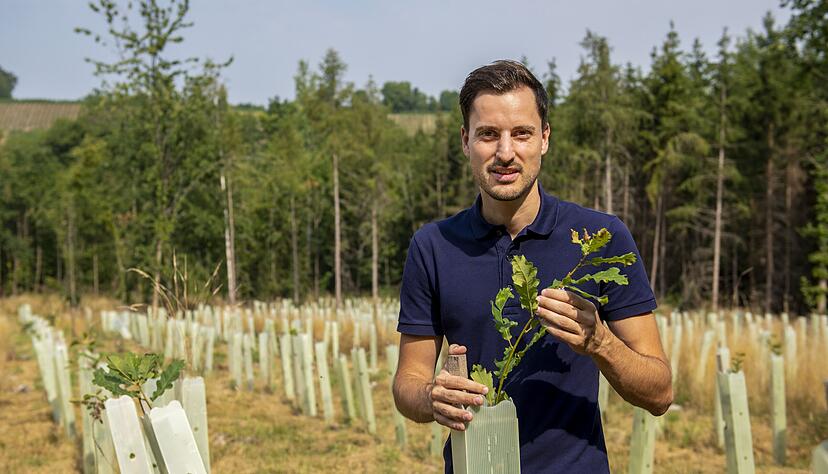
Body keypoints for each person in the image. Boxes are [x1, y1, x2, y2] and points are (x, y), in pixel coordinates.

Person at [391, 60, 672, 473]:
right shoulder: (433, 246)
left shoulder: (601, 239)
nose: (506, 152)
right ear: (465, 140)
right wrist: (431, 396)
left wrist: (600, 343)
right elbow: (407, 383)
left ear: (544, 138)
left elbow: (660, 392)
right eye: (488, 134)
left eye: (521, 133)